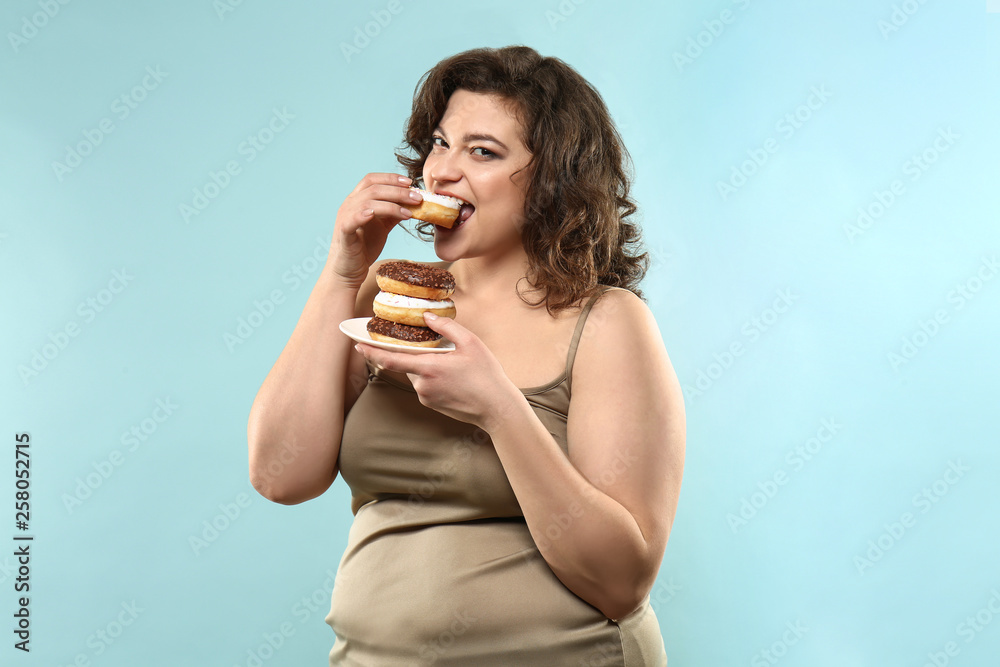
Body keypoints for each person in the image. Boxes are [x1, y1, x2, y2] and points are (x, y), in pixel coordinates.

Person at [247, 45, 685, 666]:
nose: (442, 172)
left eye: (482, 151)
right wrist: (343, 272)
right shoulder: (387, 297)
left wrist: (501, 410)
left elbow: (621, 581)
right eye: (440, 143)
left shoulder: (608, 322)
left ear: (554, 178)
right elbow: (279, 476)